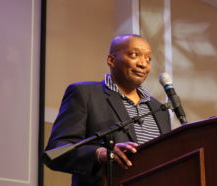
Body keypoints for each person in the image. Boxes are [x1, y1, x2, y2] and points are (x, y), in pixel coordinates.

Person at [44, 34, 171, 186]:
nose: (143, 64)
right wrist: (99, 153)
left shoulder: (159, 109)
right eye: (134, 55)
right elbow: (56, 151)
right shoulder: (85, 94)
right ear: (111, 60)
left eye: (148, 58)